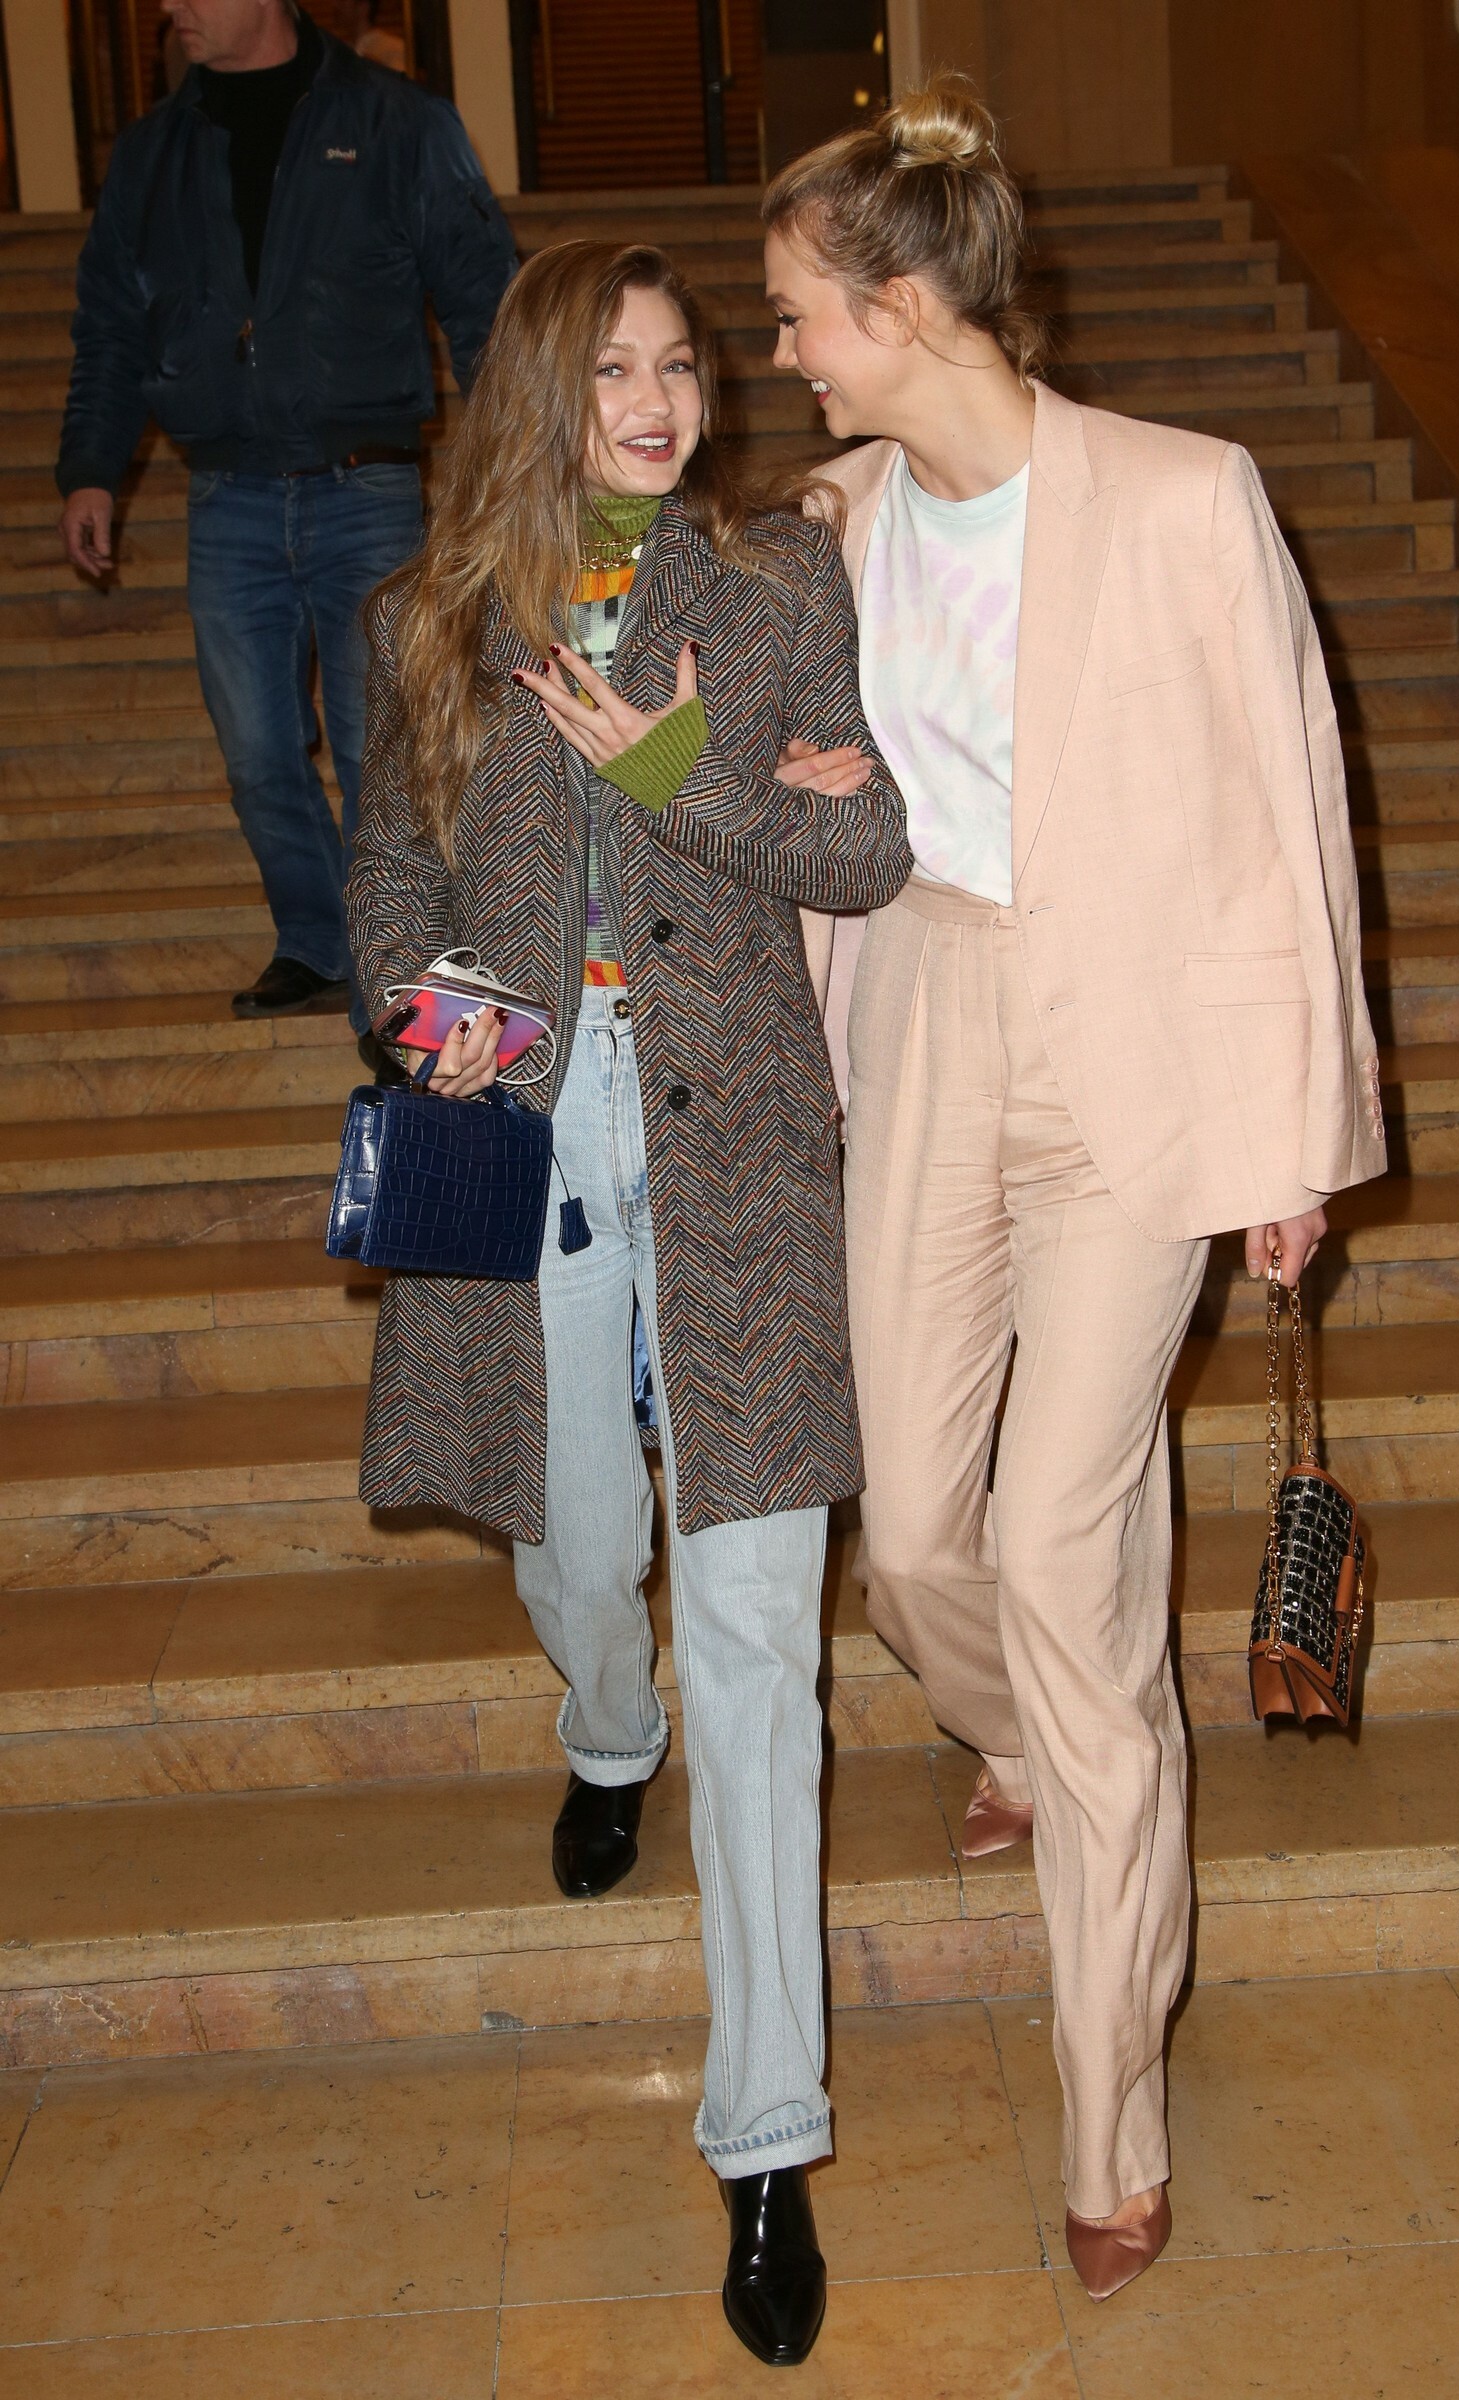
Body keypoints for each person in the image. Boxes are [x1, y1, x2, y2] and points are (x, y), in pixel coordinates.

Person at [764, 81, 1386, 2301]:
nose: (780, 355)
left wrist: (1291, 1139)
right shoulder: (828, 522)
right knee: (922, 1537)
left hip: (1132, 1058)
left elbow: (1287, 814)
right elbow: (754, 786)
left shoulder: (1184, 496)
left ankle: (1111, 2108)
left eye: (799, 313)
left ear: (904, 305)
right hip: (925, 1019)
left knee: (1061, 1546)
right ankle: (1026, 1726)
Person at [346, 239, 912, 2367]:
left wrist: (695, 784)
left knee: (761, 1634)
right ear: (537, 392)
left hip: (741, 1136)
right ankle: (605, 1725)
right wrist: (432, 1020)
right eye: (613, 372)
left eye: (680, 364)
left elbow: (865, 855)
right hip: (525, 1115)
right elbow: (388, 877)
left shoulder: (770, 593)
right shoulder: (428, 621)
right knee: (580, 1548)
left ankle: (766, 2143)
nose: (660, 402)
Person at [56, 0, 516, 1036]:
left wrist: (519, 464)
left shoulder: (400, 122)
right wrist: (91, 469)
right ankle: (315, 940)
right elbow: (111, 325)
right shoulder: (152, 154)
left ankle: (400, 981)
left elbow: (488, 302)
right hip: (227, 497)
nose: (169, 7)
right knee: (259, 753)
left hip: (368, 492)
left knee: (381, 754)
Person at [329, 0, 408, 76]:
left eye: (342, 0)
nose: (335, 5)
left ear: (363, 6)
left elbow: (403, 84)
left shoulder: (393, 49)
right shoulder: (344, 50)